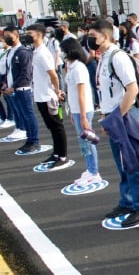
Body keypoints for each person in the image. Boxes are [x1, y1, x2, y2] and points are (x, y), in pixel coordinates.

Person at [90, 19, 139, 227]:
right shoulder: (103, 57)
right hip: (114, 117)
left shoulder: (118, 57)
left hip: (124, 117)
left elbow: (132, 90)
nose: (89, 40)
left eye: (93, 36)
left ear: (105, 36)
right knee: (122, 163)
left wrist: (116, 118)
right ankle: (127, 201)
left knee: (133, 162)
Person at [26, 23, 70, 169]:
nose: (27, 36)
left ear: (39, 34)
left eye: (30, 33)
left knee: (57, 127)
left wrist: (57, 91)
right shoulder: (36, 51)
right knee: (51, 127)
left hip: (48, 96)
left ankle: (62, 156)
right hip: (40, 95)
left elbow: (53, 75)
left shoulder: (43, 53)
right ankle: (56, 153)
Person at [59, 37, 102, 185]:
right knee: (83, 141)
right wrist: (73, 112)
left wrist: (82, 116)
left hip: (83, 110)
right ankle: (90, 168)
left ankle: (94, 171)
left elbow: (82, 93)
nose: (61, 53)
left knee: (88, 141)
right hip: (77, 110)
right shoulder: (71, 67)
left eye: (63, 51)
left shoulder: (79, 68)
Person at [2, 26, 38, 146]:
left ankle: (34, 140)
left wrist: (13, 86)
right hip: (14, 89)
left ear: (16, 36)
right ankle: (29, 138)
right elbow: (9, 70)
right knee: (23, 115)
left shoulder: (23, 52)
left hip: (23, 89)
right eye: (5, 36)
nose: (6, 38)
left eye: (9, 36)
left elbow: (25, 73)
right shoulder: (11, 51)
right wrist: (5, 84)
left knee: (28, 115)